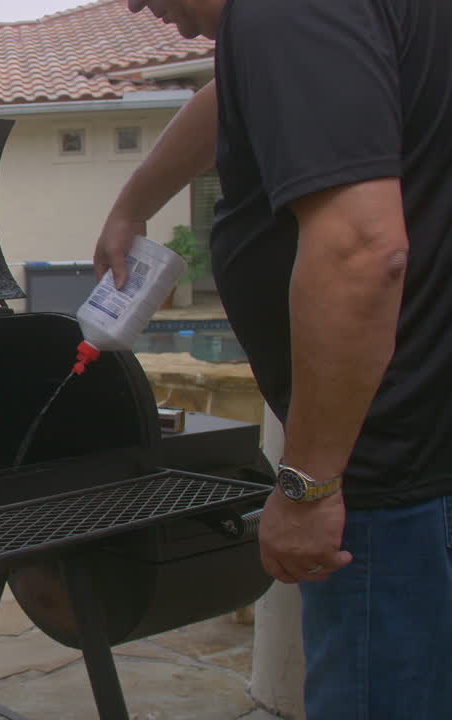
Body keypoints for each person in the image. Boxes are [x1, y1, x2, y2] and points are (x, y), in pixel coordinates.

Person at [98, 1, 452, 717]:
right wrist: (134, 202)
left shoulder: (284, 12)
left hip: (391, 468)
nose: (134, 3)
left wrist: (309, 487)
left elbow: (361, 251)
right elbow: (234, 93)